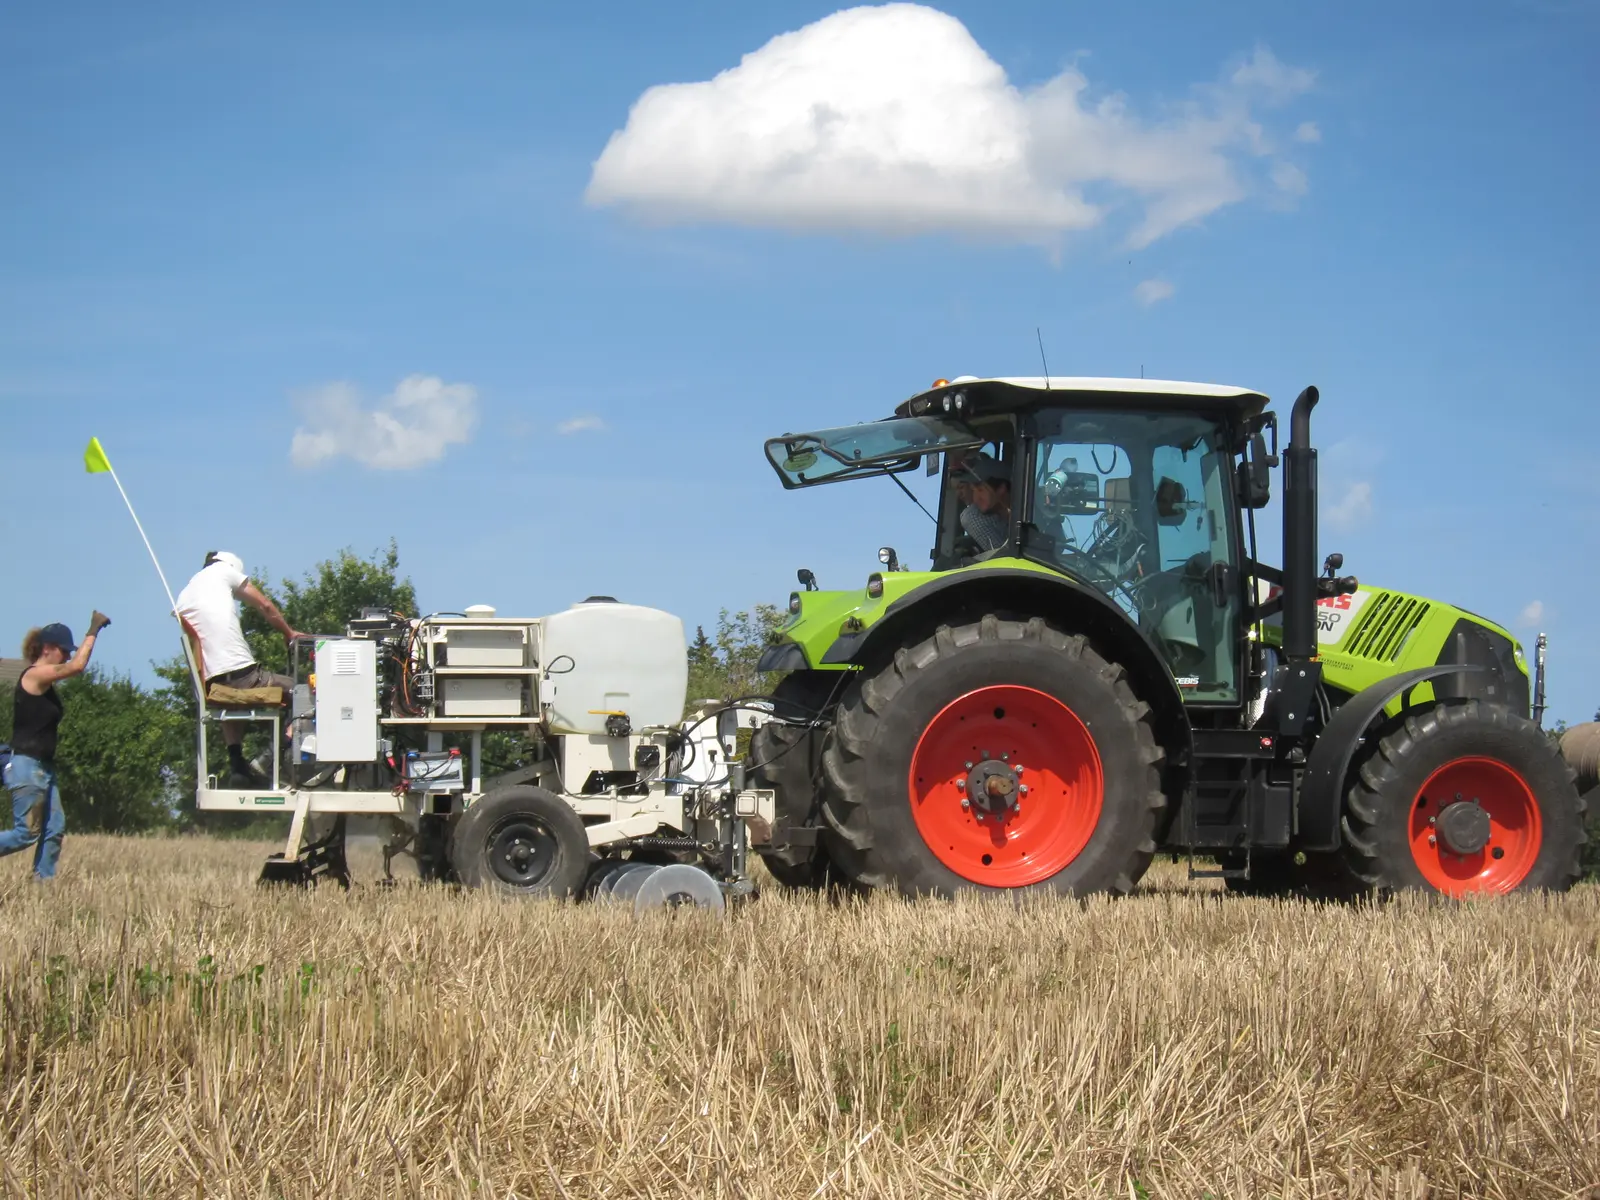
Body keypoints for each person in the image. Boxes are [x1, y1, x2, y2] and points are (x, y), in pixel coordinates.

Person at [174, 551, 305, 787]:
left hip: (213, 686)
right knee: (305, 693)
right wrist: (289, 633)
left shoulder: (185, 594)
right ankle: (267, 760)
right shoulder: (224, 571)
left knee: (232, 697)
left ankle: (238, 766)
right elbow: (264, 605)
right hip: (243, 677)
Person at [2, 613, 110, 879]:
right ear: (47, 648)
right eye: (63, 650)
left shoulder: (45, 683)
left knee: (54, 830)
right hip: (27, 766)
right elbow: (76, 667)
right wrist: (93, 630)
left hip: (44, 769)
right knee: (25, 833)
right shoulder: (34, 676)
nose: (65, 656)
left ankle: (43, 888)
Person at [952, 452, 1012, 552]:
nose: (976, 498)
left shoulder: (1033, 519)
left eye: (980, 490)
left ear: (1001, 488)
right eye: (973, 490)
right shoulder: (993, 519)